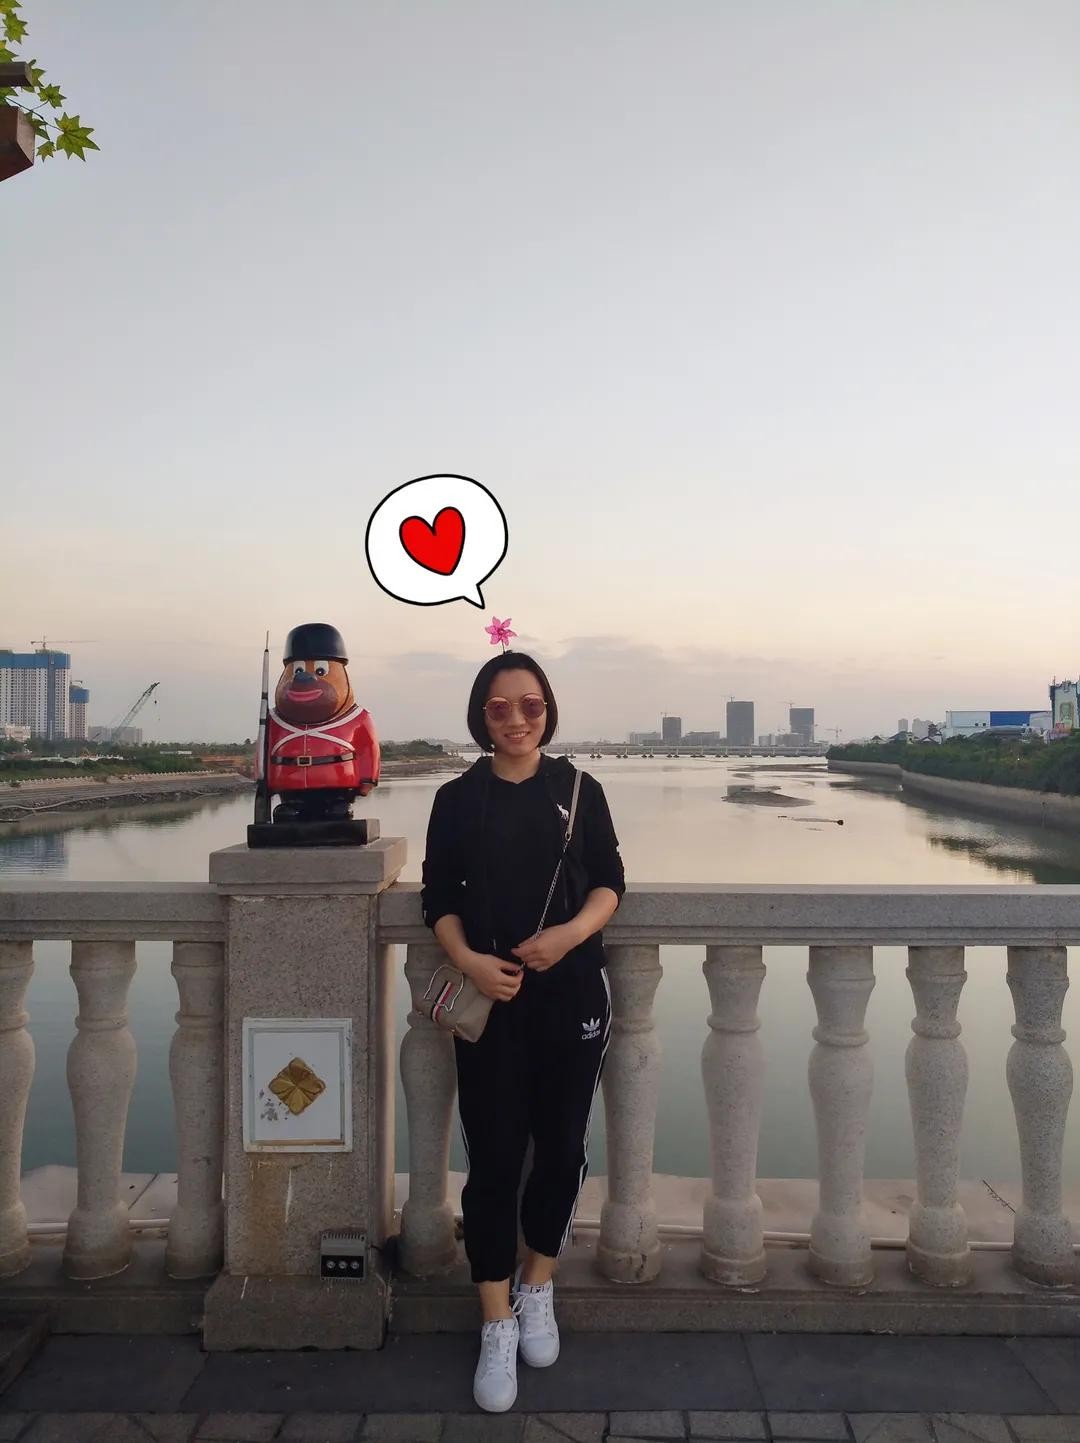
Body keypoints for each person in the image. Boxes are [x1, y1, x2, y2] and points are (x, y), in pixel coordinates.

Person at [420, 650, 625, 1413]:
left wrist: (568, 936)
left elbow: (610, 881)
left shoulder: (578, 789)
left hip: (572, 997)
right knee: (496, 1160)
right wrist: (470, 960)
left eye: (530, 705)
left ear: (548, 710)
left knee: (563, 1149)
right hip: (492, 1002)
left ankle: (538, 1283)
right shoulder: (457, 798)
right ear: (481, 715)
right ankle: (495, 1317)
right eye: (500, 707)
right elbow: (437, 896)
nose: (516, 719)